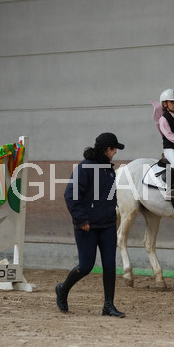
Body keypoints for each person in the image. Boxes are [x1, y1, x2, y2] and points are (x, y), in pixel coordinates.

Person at [55, 132, 125, 317]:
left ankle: (108, 305)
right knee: (86, 266)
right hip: (87, 226)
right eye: (114, 149)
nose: (116, 152)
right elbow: (70, 194)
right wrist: (81, 220)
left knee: (110, 265)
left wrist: (113, 214)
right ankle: (62, 289)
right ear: (107, 149)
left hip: (107, 224)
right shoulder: (85, 167)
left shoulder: (108, 169)